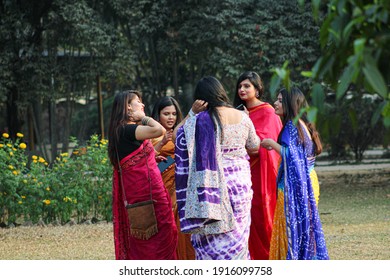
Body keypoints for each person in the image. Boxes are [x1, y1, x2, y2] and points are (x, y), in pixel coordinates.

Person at [174, 76, 260, 260]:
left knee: (209, 242)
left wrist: (191, 113)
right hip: (240, 186)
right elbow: (254, 146)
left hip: (210, 189)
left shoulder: (199, 120)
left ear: (202, 98)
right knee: (239, 238)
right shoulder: (243, 117)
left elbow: (177, 136)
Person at [107, 90, 178, 260]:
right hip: (146, 193)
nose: (143, 105)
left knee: (152, 235)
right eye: (138, 102)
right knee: (159, 235)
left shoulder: (123, 130)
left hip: (144, 190)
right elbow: (159, 130)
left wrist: (151, 155)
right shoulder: (127, 129)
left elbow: (135, 154)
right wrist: (143, 117)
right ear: (128, 107)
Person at [261, 87, 329, 260]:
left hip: (295, 184)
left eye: (279, 100)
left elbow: (292, 156)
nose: (275, 103)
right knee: (303, 228)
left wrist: (271, 144)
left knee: (289, 229)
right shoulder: (302, 124)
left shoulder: (291, 126)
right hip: (309, 179)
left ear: (290, 104)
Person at [234, 71, 283, 260]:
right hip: (240, 172)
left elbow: (264, 144)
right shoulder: (236, 113)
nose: (242, 89)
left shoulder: (267, 111)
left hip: (262, 172)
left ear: (257, 88)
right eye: (240, 86)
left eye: (247, 86)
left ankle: (269, 258)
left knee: (262, 214)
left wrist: (245, 123)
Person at [151, 96, 195, 260]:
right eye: (166, 114)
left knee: (183, 227)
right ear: (158, 115)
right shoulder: (152, 136)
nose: (170, 117)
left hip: (182, 186)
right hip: (163, 188)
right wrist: (169, 158)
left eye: (174, 114)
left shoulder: (182, 133)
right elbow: (151, 164)